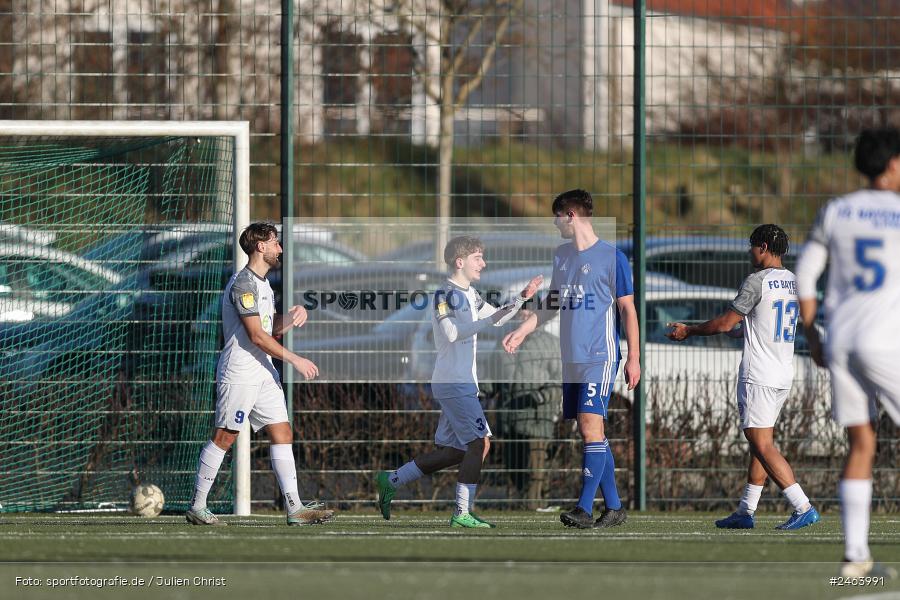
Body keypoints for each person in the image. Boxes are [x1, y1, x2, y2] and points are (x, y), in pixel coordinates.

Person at [375, 236, 542, 528]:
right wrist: (488, 321)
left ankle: (392, 479)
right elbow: (452, 333)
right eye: (478, 258)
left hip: (462, 382)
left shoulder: (471, 293)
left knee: (454, 452)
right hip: (453, 382)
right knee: (480, 443)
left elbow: (498, 318)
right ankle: (461, 513)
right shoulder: (444, 294)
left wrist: (521, 298)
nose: (484, 264)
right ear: (460, 262)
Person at [667, 224, 820, 530]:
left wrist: (690, 330)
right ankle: (745, 511)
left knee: (761, 445)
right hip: (782, 373)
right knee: (760, 444)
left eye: (752, 245)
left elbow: (725, 323)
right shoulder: (792, 281)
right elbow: (761, 322)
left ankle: (802, 506)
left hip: (759, 374)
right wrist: (744, 330)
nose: (749, 251)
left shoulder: (756, 281)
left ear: (762, 247)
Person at [796, 128, 900, 577]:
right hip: (884, 341)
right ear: (893, 164)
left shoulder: (836, 210)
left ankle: (856, 556)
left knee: (861, 442)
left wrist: (813, 335)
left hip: (840, 340)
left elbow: (805, 276)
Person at [503, 189, 640, 529]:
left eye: (557, 215)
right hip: (573, 358)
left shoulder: (612, 257)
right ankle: (615, 507)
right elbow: (552, 302)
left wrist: (633, 357)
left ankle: (583, 507)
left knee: (590, 426)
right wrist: (523, 331)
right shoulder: (562, 255)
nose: (554, 222)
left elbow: (628, 309)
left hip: (599, 356)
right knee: (590, 430)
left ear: (571, 216)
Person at [185, 222, 333, 526]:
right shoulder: (243, 285)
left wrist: (292, 317)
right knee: (225, 437)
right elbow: (255, 336)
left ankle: (295, 508)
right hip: (240, 371)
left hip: (263, 371)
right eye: (275, 243)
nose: (280, 248)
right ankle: (197, 506)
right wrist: (294, 359)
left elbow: (269, 329)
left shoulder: (264, 284)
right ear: (260, 247)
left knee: (282, 432)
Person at [484, 309, 562, 508]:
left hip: (537, 420)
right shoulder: (504, 342)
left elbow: (560, 381)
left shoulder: (550, 344)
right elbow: (492, 378)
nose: (524, 316)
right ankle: (527, 509)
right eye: (522, 312)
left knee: (534, 473)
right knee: (513, 469)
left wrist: (540, 397)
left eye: (530, 312)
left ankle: (534, 510)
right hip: (509, 420)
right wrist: (478, 390)